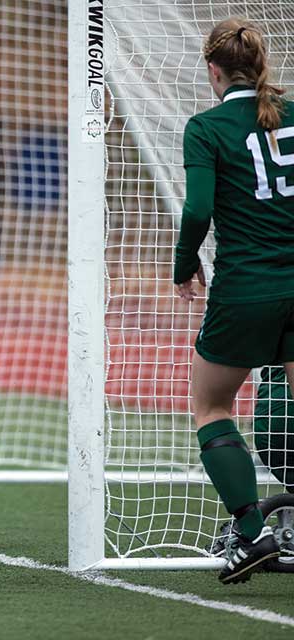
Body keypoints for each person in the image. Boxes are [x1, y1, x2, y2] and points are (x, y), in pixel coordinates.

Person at [173, 17, 292, 584]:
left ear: (214, 70)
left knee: (212, 406)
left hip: (245, 288)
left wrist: (182, 264)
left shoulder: (207, 126)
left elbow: (197, 209)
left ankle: (251, 533)